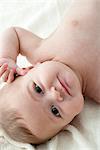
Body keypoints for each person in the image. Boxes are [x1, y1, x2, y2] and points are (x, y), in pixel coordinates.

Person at [0, 0, 100, 145]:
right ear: (69, 121)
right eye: (55, 111)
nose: (55, 94)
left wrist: (7, 58)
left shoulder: (42, 52)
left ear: (29, 70)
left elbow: (13, 33)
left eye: (38, 89)